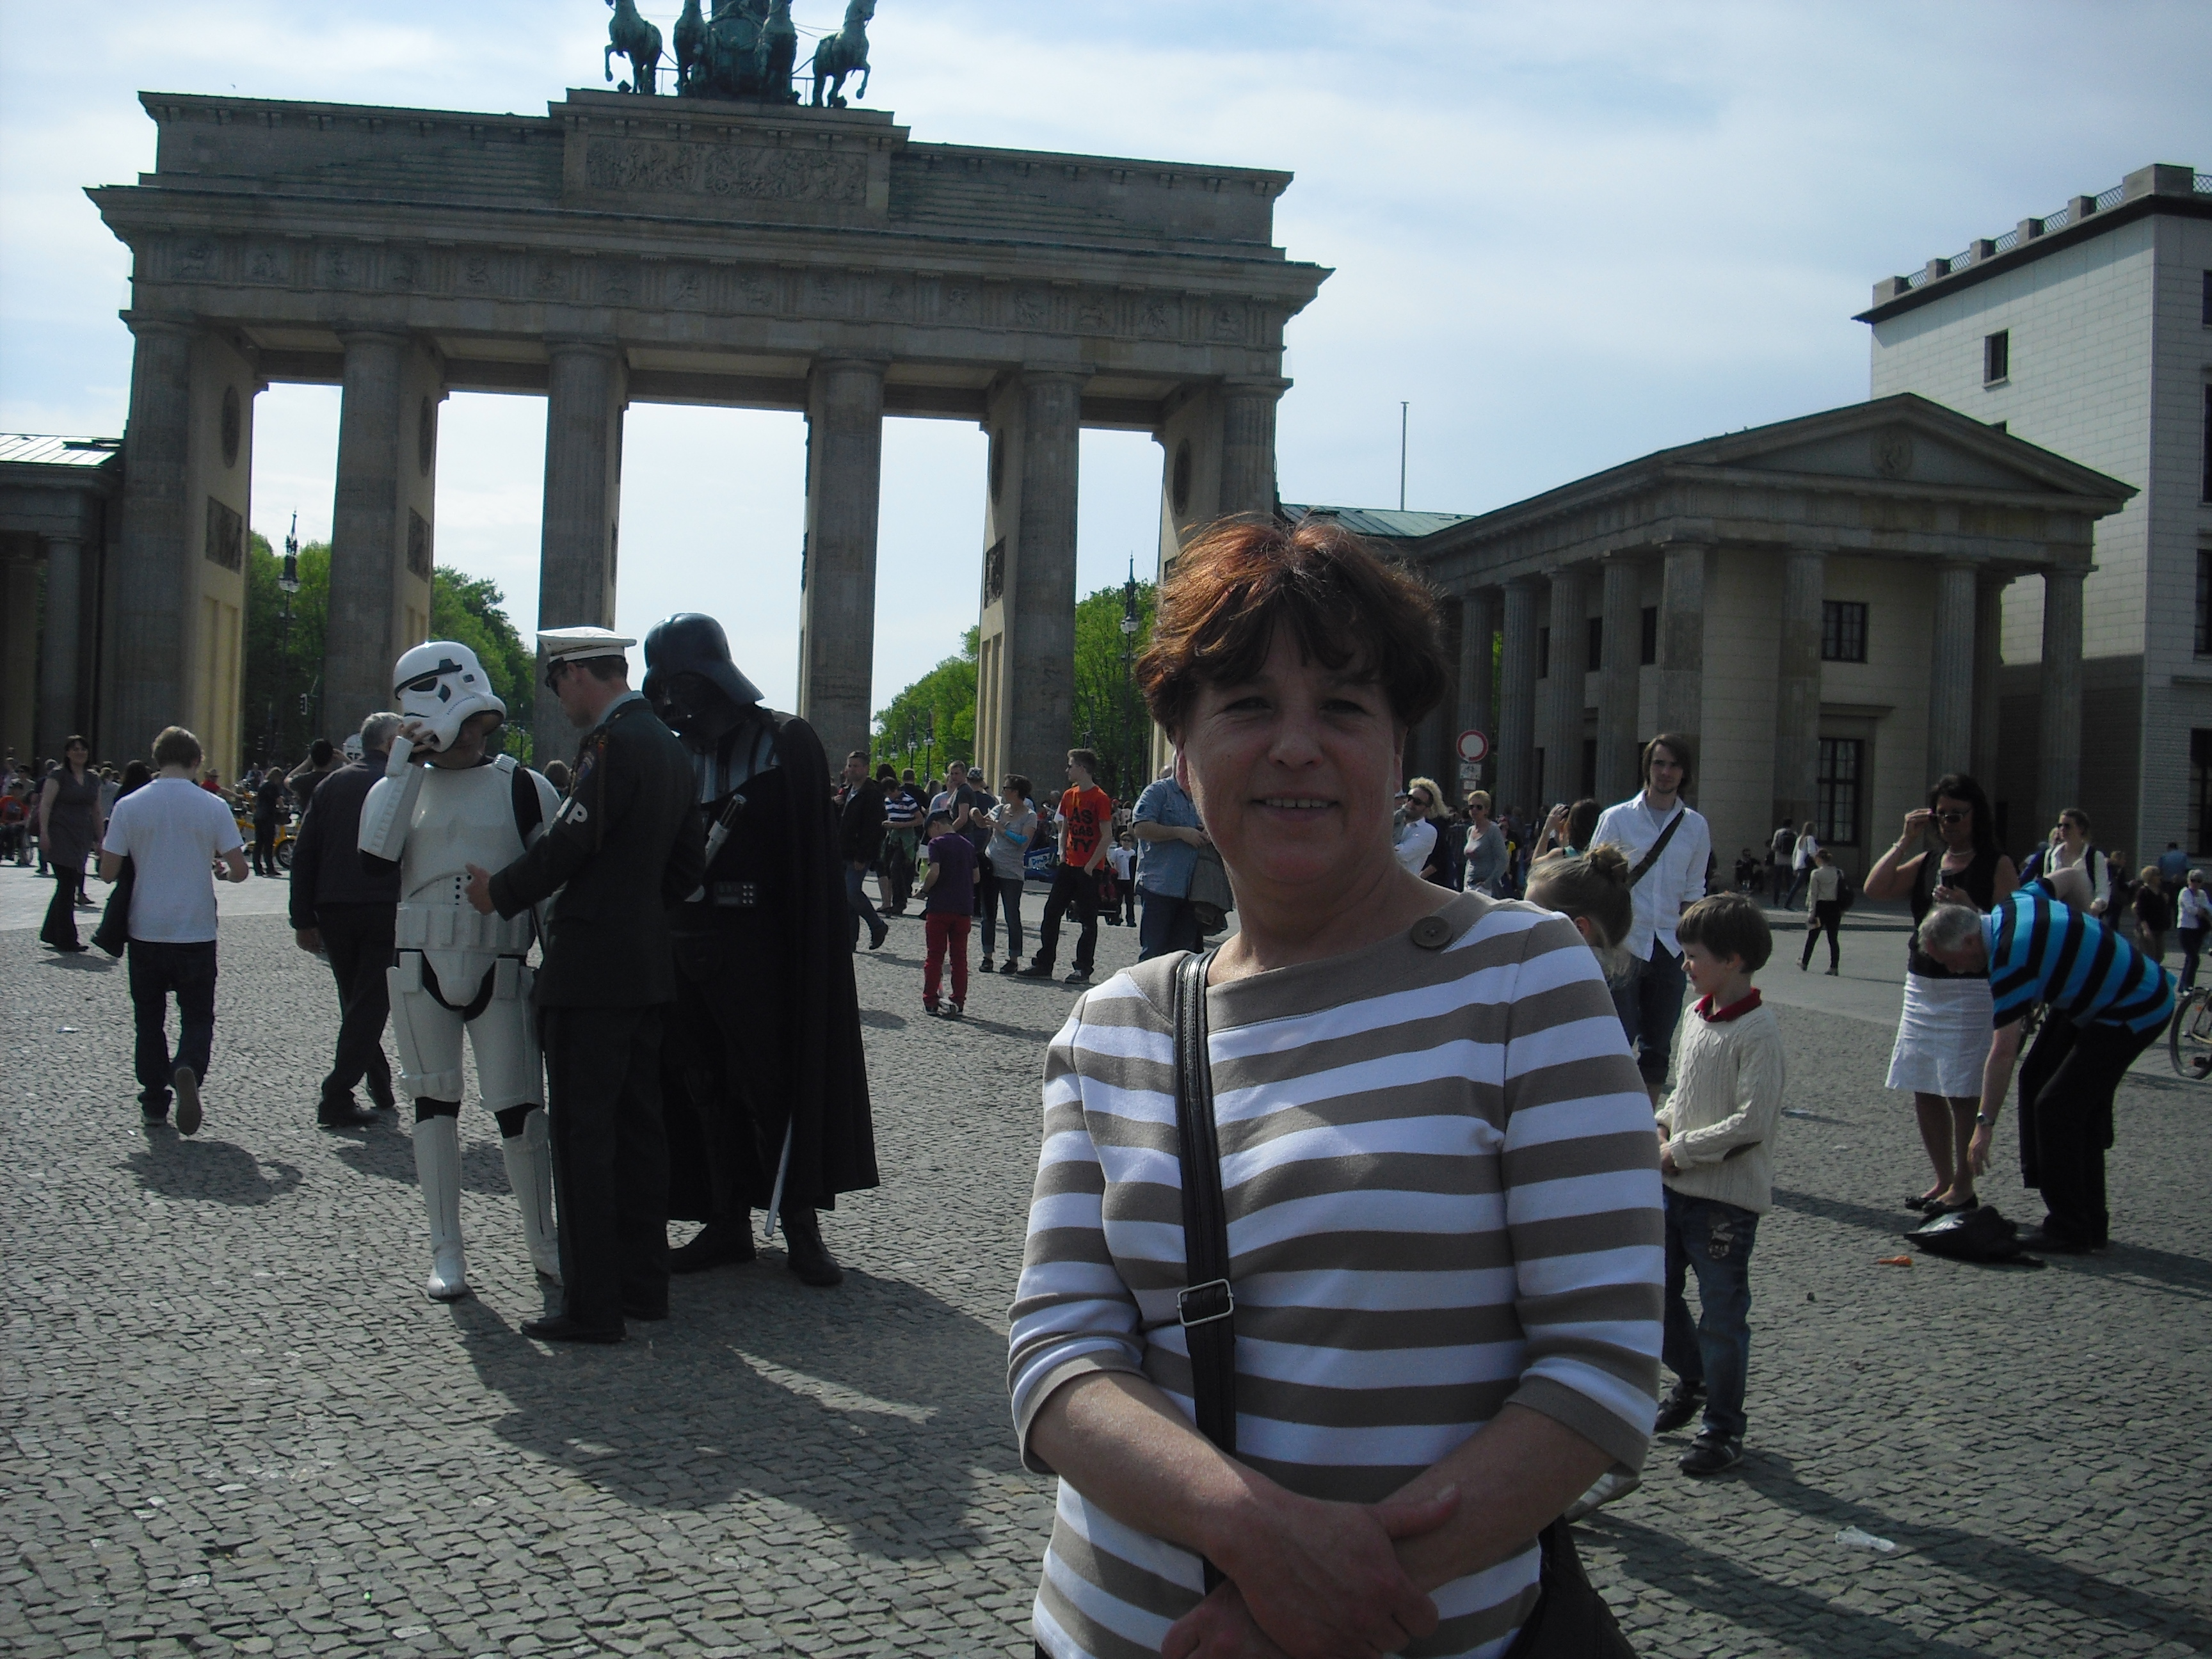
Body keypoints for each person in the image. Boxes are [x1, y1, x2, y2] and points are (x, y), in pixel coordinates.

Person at [1008, 515, 1661, 1659]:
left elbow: (1597, 1368)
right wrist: (1254, 1537)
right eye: (1249, 705)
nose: (1297, 746)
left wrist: (1307, 1611)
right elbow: (1058, 1356)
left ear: (1398, 742)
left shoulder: (1524, 975)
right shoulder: (1115, 1021)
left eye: (1344, 708)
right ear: (1182, 744)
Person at [463, 627, 705, 1343]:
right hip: (644, 967)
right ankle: (642, 1287)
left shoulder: (615, 745)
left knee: (582, 1137)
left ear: (576, 675)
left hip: (591, 969)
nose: (558, 700)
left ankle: (592, 1306)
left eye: (555, 682)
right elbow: (687, 867)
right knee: (639, 1133)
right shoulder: (668, 745)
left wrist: (499, 892)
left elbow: (571, 839)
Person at [643, 612, 874, 1288]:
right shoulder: (669, 749)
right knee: (701, 1088)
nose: (676, 705)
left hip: (759, 949)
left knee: (773, 1085)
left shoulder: (783, 742)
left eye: (683, 687)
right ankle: (725, 1222)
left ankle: (800, 1224)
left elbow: (807, 857)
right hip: (685, 941)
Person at [360, 648, 564, 1299]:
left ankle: (545, 1242)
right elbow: (373, 862)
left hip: (500, 964)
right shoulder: (397, 790)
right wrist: (403, 767)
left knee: (520, 1112)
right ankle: (446, 1248)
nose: (471, 730)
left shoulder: (523, 787)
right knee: (433, 1106)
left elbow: (554, 892)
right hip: (421, 966)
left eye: (480, 719)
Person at [1916, 888, 2174, 1253]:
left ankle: (2070, 1228)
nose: (1953, 970)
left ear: (1972, 939)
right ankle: (2089, 1219)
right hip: (2096, 998)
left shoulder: (2009, 962)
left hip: (2135, 1006)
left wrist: (1983, 1127)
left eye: (1952, 961)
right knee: (2037, 1077)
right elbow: (2059, 880)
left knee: (2058, 1106)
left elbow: (2003, 1052)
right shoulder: (2010, 905)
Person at [1652, 893, 1786, 1478]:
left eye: (1694, 956)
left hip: (1724, 1202)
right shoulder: (1696, 1013)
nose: (1685, 966)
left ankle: (1723, 1428)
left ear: (1733, 960)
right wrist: (1662, 1121)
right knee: (1652, 1292)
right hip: (1674, 1191)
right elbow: (1683, 1086)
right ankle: (1695, 1377)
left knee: (1723, 1315)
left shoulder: (1758, 1032)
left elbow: (1751, 1125)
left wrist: (1679, 1150)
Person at [1861, 773, 2019, 1216]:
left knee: (1961, 1087)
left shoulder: (1995, 862)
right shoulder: (1931, 859)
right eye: (1942, 815)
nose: (1949, 823)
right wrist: (1903, 842)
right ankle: (1944, 1179)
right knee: (1922, 1083)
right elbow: (1876, 889)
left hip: (1970, 989)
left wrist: (1972, 909)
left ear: (1976, 816)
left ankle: (1965, 1186)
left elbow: (2013, 925)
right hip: (1924, 984)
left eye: (1958, 815)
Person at [99, 726, 248, 1134]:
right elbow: (240, 870)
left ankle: (153, 1101)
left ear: (156, 759)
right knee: (197, 1017)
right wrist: (220, 870)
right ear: (196, 761)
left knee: (149, 1019)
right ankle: (187, 1068)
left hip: (146, 928)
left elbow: (107, 872)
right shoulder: (213, 805)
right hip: (196, 930)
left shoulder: (130, 805)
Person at [289, 712, 404, 1128]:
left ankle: (381, 1083)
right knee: (370, 1004)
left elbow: (304, 854)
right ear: (392, 744)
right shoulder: (400, 787)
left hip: (334, 907)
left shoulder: (330, 784)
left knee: (356, 1002)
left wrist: (302, 917)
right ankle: (336, 1095)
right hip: (383, 905)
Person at [1591, 734, 1711, 1100]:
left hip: (1669, 947)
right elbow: (1592, 881)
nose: (1666, 772)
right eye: (1659, 763)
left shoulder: (1695, 827)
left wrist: (1694, 951)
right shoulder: (1616, 819)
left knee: (1658, 1045)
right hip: (1625, 942)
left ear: (1684, 772)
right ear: (1647, 767)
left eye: (1674, 765)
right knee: (1617, 1037)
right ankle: (1611, 1115)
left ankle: (1645, 1121)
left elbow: (1694, 894)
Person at [1019, 749, 1112, 986]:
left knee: (1087, 920)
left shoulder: (1100, 798)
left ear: (1082, 768)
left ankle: (1083, 968)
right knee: (1051, 912)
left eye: (1070, 766)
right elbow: (1065, 827)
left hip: (1089, 868)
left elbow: (1107, 836)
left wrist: (1091, 865)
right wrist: (1062, 852)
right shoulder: (1069, 796)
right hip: (1068, 864)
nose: (1067, 770)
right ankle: (1044, 963)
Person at [1130, 762, 1206, 962]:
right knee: (1153, 955)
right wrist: (1179, 833)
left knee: (1183, 957)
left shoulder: (1202, 794)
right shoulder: (1158, 792)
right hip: (1160, 886)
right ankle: (1148, 993)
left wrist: (1209, 832)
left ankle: (1175, 994)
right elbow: (1140, 828)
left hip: (1192, 890)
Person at [37, 735, 99, 952]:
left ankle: (50, 931)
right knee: (67, 884)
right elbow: (46, 804)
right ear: (67, 753)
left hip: (81, 837)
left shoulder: (93, 778)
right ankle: (66, 937)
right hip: (60, 834)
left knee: (67, 885)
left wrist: (100, 838)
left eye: (83, 749)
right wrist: (44, 833)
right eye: (75, 749)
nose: (79, 752)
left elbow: (96, 809)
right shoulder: (58, 776)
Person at [918, 806, 975, 1016]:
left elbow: (934, 871)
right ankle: (958, 1001)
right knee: (959, 957)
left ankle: (931, 1000)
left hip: (940, 907)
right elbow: (976, 876)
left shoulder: (937, 844)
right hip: (963, 909)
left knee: (935, 956)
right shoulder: (968, 846)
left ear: (936, 825)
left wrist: (924, 890)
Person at [979, 774, 1035, 973]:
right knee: (988, 914)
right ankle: (987, 956)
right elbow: (982, 823)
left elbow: (1023, 842)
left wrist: (1000, 829)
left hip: (1012, 872)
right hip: (990, 868)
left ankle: (1013, 958)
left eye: (1006, 788)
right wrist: (976, 815)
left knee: (1012, 915)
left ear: (1016, 792)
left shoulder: (1030, 816)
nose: (1003, 792)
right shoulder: (999, 809)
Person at [835, 750, 888, 951]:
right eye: (849, 766)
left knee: (852, 892)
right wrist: (834, 804)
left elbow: (873, 828)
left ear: (866, 769)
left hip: (858, 852)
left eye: (856, 766)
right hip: (843, 850)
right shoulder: (846, 791)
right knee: (846, 898)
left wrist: (862, 855)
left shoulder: (872, 794)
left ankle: (877, 925)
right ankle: (850, 941)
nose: (851, 770)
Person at [879, 764, 924, 915]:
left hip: (906, 839)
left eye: (889, 793)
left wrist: (900, 825)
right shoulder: (887, 801)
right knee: (885, 866)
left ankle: (900, 901)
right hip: (892, 837)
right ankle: (890, 901)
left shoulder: (908, 800)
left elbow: (920, 820)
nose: (889, 796)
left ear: (894, 790)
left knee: (895, 867)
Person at [1800, 847, 1843, 974]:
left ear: (1818, 859)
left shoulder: (1816, 874)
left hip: (1820, 907)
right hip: (1835, 908)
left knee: (1812, 936)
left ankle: (1805, 962)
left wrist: (1811, 913)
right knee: (1833, 938)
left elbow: (1813, 894)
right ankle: (1834, 967)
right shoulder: (1839, 872)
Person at [1460, 789, 1507, 897]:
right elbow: (1469, 861)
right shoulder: (1470, 830)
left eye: (1479, 807)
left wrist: (1488, 884)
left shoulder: (1493, 830)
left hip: (1486, 888)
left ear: (1487, 810)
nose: (1474, 810)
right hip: (1470, 885)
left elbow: (1503, 860)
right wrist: (1465, 883)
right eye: (1471, 807)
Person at [1392, 777, 1439, 874]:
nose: (1410, 803)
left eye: (1417, 802)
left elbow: (1400, 855)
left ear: (1427, 809)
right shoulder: (1394, 820)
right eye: (1409, 798)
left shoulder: (1428, 831)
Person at [250, 764, 288, 876]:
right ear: (276, 777)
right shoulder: (272, 786)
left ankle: (258, 868)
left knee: (259, 843)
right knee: (268, 843)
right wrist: (283, 809)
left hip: (258, 816)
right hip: (268, 817)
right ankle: (270, 868)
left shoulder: (263, 785)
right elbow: (279, 801)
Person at [2177, 869, 2211, 991]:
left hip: (2198, 930)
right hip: (2185, 928)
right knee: (2194, 958)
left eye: (2198, 881)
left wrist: (2204, 910)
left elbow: (2208, 907)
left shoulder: (2202, 894)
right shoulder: (2185, 893)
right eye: (2193, 880)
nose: (2195, 883)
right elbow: (2190, 909)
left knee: (2190, 959)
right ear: (2188, 880)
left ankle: (2184, 987)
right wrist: (2200, 910)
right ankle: (2187, 986)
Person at [288, 739, 338, 821]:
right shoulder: (337, 780)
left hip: (308, 824)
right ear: (332, 759)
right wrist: (345, 759)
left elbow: (287, 779)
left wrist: (307, 762)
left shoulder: (302, 780)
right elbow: (359, 776)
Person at [2135, 865, 2172, 965]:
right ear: (2151, 877)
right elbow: (2140, 912)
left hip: (2159, 928)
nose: (2160, 877)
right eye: (2157, 875)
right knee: (2149, 956)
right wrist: (2145, 929)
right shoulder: (2143, 891)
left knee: (2160, 955)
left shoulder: (2160, 892)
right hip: (2148, 928)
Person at [1783, 819, 1818, 910]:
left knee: (1800, 886)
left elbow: (1795, 853)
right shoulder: (1810, 838)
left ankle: (1788, 903)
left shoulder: (1800, 838)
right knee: (1811, 885)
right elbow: (1812, 853)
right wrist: (1818, 861)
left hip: (1800, 864)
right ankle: (1789, 904)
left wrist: (1794, 866)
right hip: (1807, 865)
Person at [1767, 821, 1795, 906]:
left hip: (1779, 860)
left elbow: (1774, 846)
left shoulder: (1778, 832)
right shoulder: (1794, 833)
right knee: (1789, 881)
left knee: (1777, 880)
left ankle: (1776, 901)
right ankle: (1789, 902)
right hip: (1790, 861)